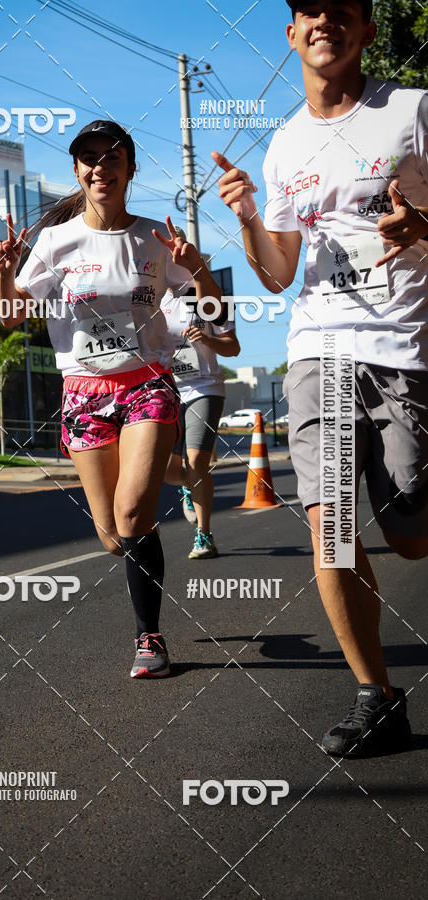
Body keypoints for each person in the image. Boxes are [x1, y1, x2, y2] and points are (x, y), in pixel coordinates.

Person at [214, 0, 428, 755]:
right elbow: (277, 274)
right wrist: (247, 216)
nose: (323, 21)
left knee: (410, 535)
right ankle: (379, 697)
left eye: (341, 9)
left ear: (366, 29)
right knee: (330, 526)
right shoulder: (284, 145)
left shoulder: (412, 111)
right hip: (317, 350)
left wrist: (422, 228)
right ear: (291, 33)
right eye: (309, 11)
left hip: (405, 348)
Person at [0, 120, 222, 678]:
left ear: (130, 169)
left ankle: (150, 638)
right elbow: (10, 317)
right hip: (83, 393)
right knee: (114, 536)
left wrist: (196, 266)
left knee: (132, 513)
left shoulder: (155, 237)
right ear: (77, 170)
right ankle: (162, 488)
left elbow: (214, 311)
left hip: (148, 384)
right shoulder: (56, 242)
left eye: (112, 156)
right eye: (90, 157)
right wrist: (6, 274)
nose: (101, 166)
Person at [161, 292, 240, 558]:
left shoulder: (209, 297)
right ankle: (190, 485)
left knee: (196, 462)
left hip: (205, 388)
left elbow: (233, 347)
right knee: (165, 470)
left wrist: (206, 339)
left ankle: (204, 535)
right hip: (165, 390)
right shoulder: (150, 293)